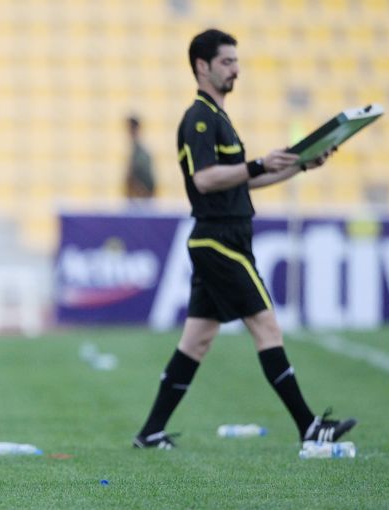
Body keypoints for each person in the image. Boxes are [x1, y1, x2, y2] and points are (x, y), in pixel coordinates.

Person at [133, 29, 356, 449]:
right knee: (266, 326)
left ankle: (150, 432)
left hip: (222, 238)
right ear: (202, 66)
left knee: (196, 341)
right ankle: (310, 428)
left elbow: (242, 181)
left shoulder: (220, 118)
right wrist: (257, 164)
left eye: (236, 61)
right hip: (219, 241)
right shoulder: (199, 118)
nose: (236, 69)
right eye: (227, 61)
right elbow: (205, 179)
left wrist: (300, 165)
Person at [125, 116, 156, 198]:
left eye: (131, 128)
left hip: (144, 195)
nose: (129, 132)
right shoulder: (134, 150)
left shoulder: (142, 152)